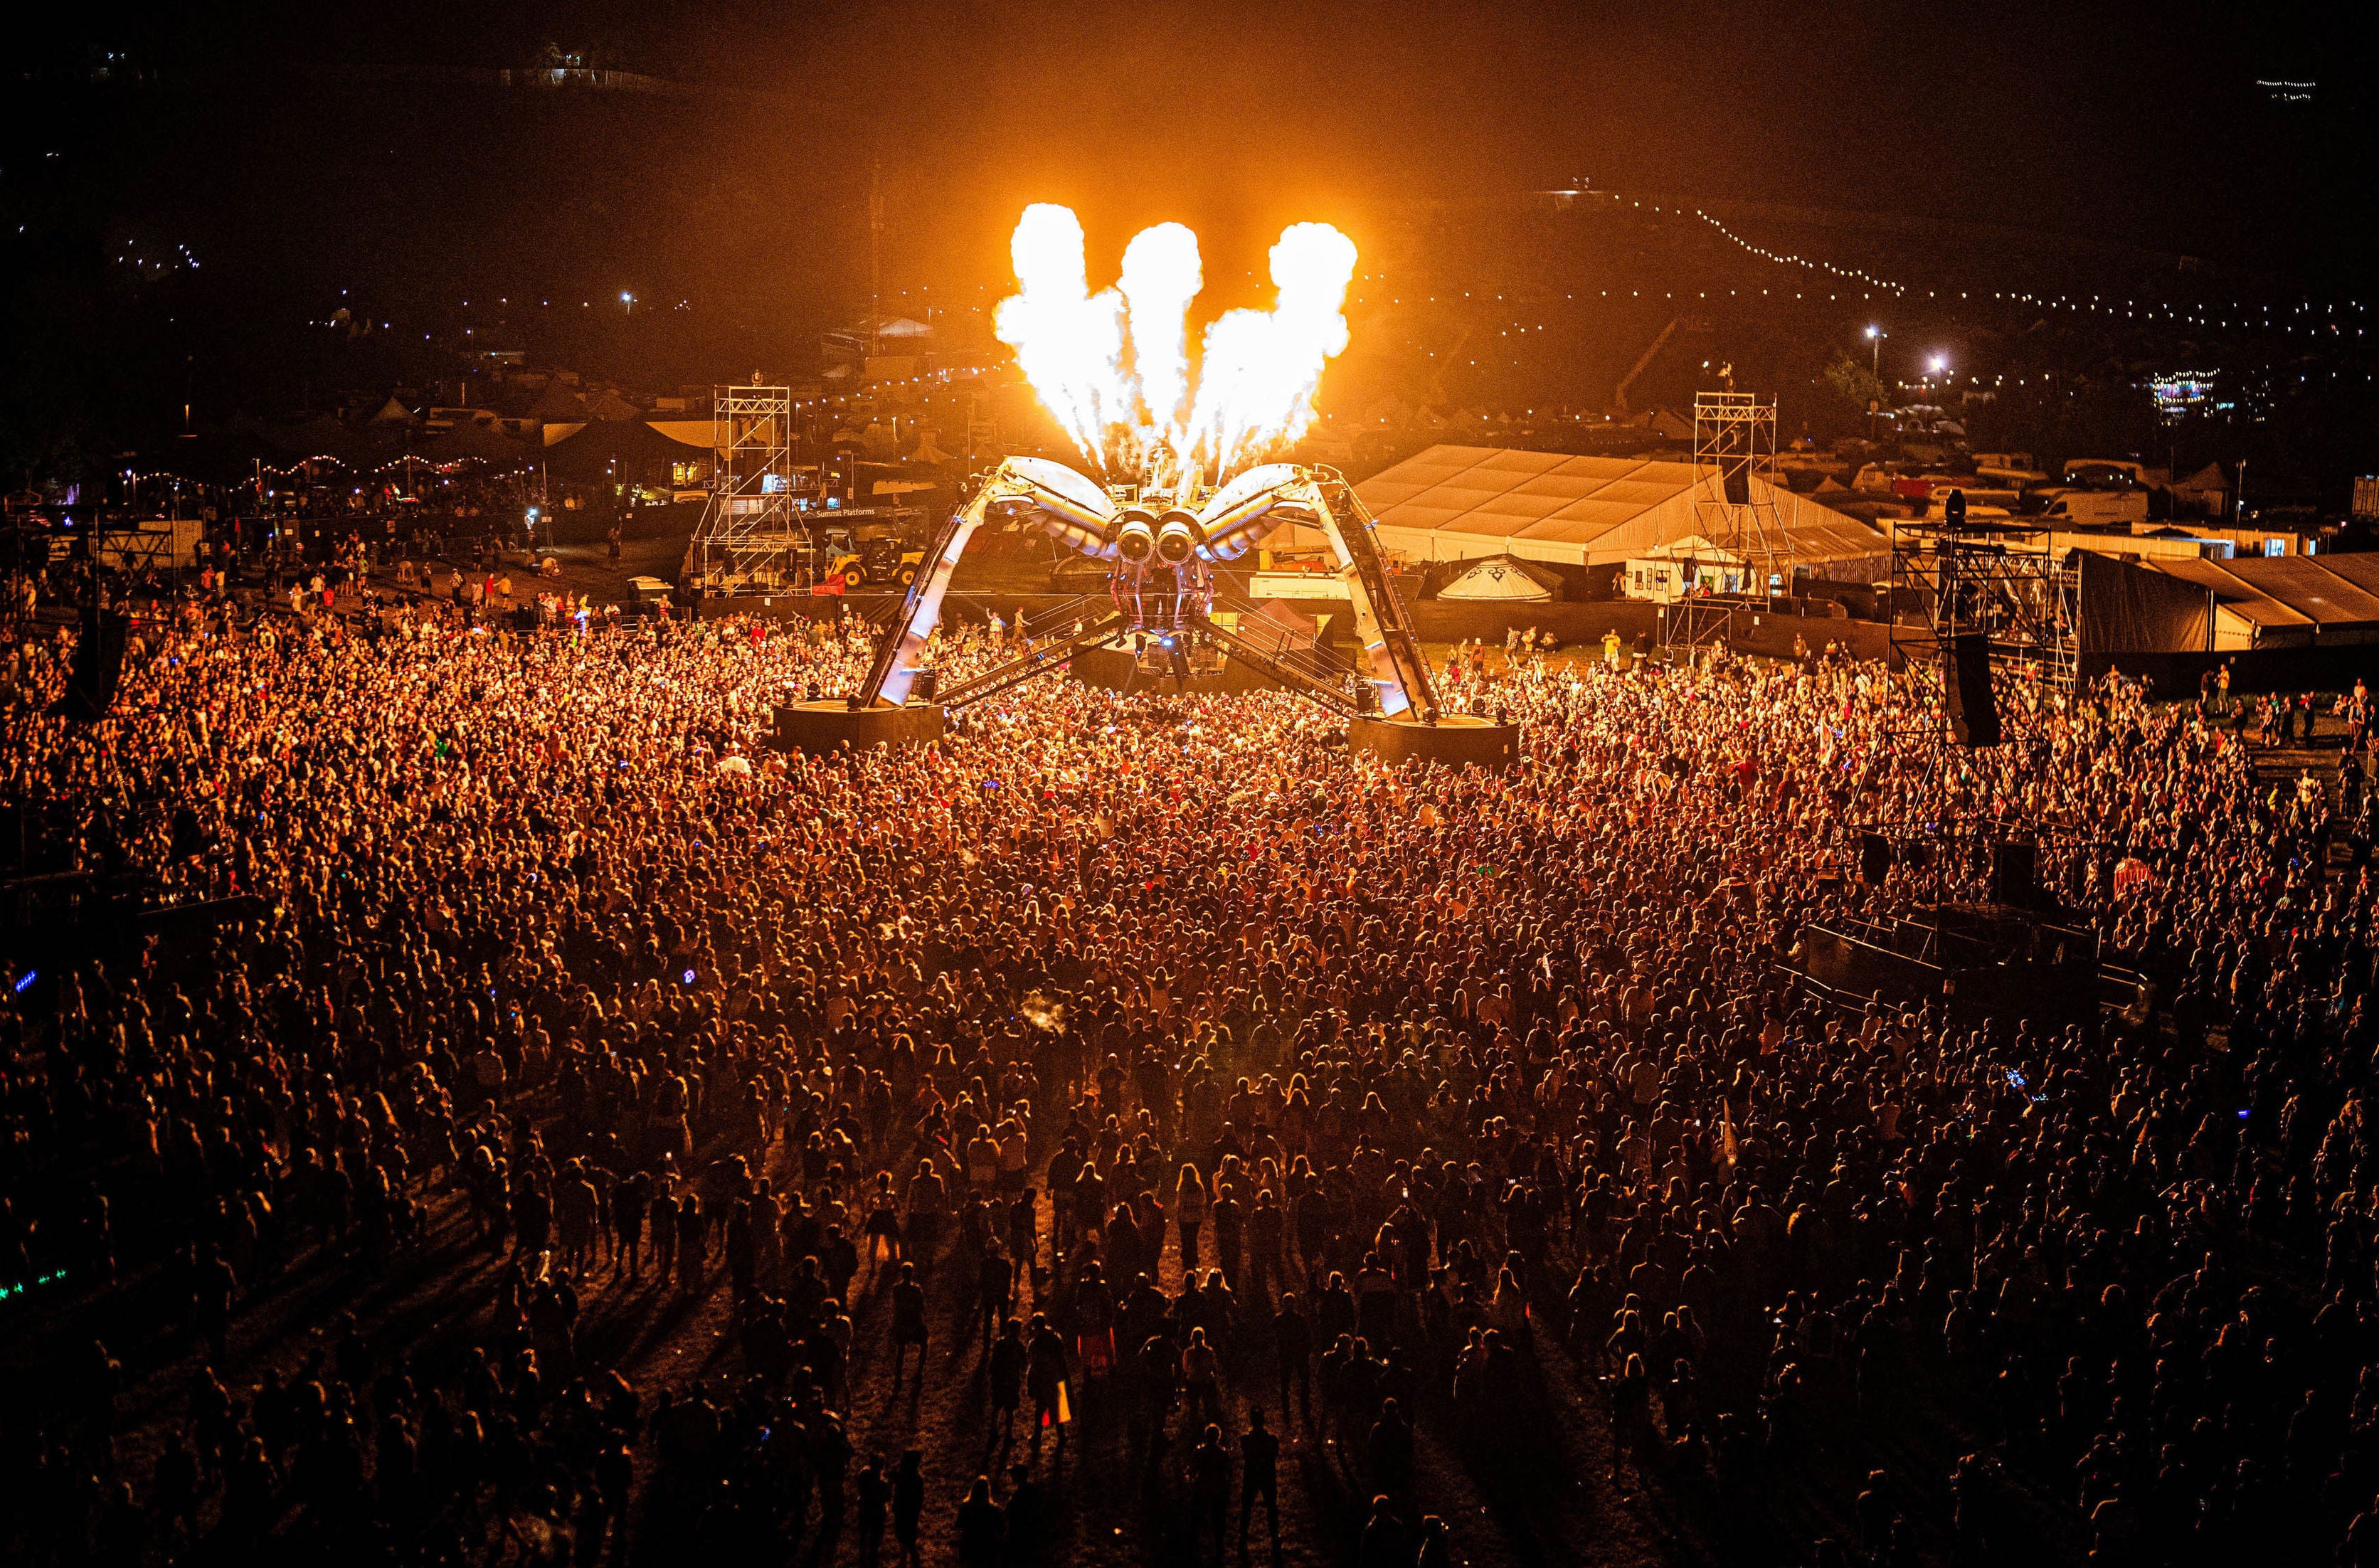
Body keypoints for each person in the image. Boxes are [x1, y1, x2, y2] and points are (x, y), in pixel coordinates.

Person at [1239, 1406, 1281, 1558]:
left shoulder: (1245, 1440)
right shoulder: (1272, 1440)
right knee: (1271, 1507)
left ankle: (1243, 1537)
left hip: (1251, 1477)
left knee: (1247, 1508)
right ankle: (1275, 1536)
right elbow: (1273, 1455)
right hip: (1267, 1476)